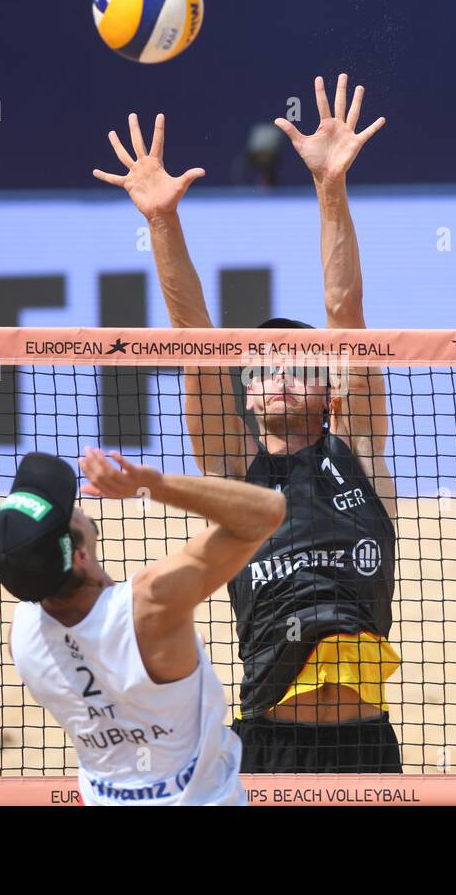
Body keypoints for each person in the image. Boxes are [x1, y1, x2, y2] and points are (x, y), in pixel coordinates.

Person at [93, 73, 402, 773]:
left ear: (329, 393)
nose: (274, 374)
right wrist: (162, 222)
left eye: (296, 364)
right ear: (248, 396)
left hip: (367, 746)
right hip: (268, 743)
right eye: (259, 367)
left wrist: (330, 188)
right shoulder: (234, 474)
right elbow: (193, 343)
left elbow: (344, 314)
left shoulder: (357, 450)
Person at [0, 448, 285, 804]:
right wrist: (156, 485)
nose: (78, 505)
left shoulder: (19, 635)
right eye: (70, 511)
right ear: (79, 556)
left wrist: (174, 663)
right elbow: (268, 511)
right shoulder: (152, 605)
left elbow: (108, 679)